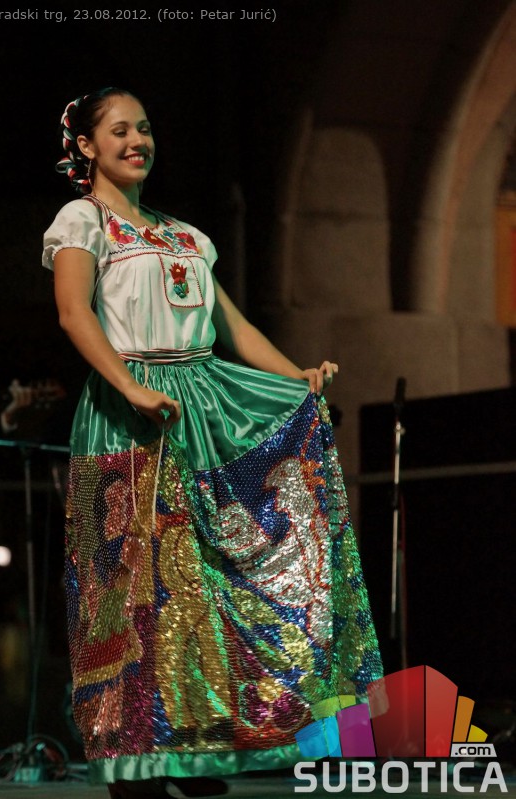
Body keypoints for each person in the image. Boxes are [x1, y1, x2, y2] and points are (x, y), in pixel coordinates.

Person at [42, 88, 383, 798]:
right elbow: (74, 314)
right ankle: (136, 760)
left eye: (144, 127)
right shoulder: (83, 220)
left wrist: (296, 376)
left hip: (203, 406)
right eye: (119, 130)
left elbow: (233, 328)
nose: (136, 140)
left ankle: (198, 748)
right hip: (127, 410)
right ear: (87, 146)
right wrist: (131, 387)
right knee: (134, 588)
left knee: (208, 583)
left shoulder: (185, 236)